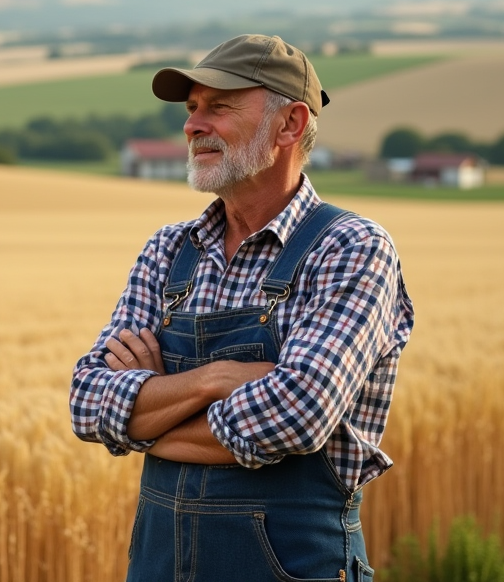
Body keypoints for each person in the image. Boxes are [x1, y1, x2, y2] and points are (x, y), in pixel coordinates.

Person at [69, 34, 414, 582]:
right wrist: (217, 380)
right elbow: (88, 404)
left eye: (219, 106)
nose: (192, 125)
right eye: (191, 109)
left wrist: (147, 414)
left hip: (294, 568)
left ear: (290, 124)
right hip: (158, 566)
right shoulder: (169, 249)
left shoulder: (350, 248)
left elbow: (297, 415)